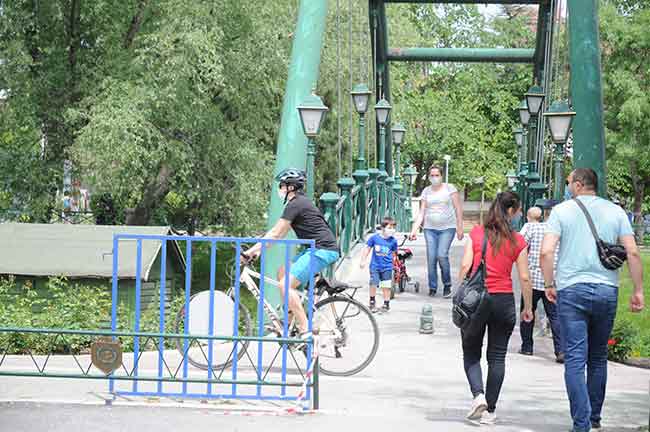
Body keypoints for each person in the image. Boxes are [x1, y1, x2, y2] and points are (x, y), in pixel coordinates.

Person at [541, 168, 645, 432]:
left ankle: (581, 423)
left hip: (572, 290)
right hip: (606, 290)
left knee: (575, 358)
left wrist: (550, 283)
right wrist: (638, 289)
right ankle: (594, 418)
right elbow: (632, 252)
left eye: (568, 183)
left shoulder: (562, 212)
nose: (566, 187)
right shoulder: (616, 212)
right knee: (598, 357)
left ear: (578, 185)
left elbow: (546, 251)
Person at [459, 191, 533, 425]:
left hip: (476, 300)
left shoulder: (478, 233)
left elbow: (465, 266)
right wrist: (528, 307)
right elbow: (524, 277)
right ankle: (489, 411)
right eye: (518, 210)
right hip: (503, 300)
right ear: (511, 212)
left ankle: (478, 395)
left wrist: (460, 294)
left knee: (471, 351)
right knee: (497, 356)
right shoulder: (518, 240)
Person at [242, 168, 340, 337]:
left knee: (284, 285)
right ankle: (288, 321)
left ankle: (304, 328)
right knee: (282, 271)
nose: (280, 189)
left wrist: (249, 252)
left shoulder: (295, 204)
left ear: (291, 187)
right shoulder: (298, 203)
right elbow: (278, 234)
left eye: (282, 185)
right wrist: (257, 251)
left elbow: (274, 234)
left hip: (322, 249)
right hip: (314, 248)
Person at [409, 164, 464, 298]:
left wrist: (460, 227)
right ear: (429, 177)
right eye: (432, 175)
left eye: (437, 175)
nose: (434, 178)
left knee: (441, 255)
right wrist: (414, 230)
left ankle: (447, 285)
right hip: (430, 229)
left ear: (441, 176)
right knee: (431, 258)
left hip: (447, 228)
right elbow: (422, 212)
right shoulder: (426, 191)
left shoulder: (450, 188)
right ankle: (432, 287)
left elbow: (458, 209)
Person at [518, 206, 564, 363]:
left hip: (532, 278)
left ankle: (527, 347)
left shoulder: (531, 227)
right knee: (555, 316)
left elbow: (519, 243)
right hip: (552, 279)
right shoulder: (559, 230)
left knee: (527, 311)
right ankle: (560, 350)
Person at [360, 217, 398, 313]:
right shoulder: (374, 238)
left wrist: (394, 264)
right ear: (383, 228)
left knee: (386, 285)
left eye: (393, 228)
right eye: (389, 227)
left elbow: (393, 253)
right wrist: (363, 260)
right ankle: (372, 301)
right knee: (373, 283)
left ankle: (386, 303)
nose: (392, 230)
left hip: (387, 267)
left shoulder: (393, 241)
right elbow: (367, 248)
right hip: (375, 266)